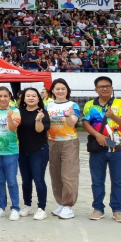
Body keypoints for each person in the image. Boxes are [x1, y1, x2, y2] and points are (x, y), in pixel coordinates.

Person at [82, 76, 121, 223]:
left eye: (108, 86)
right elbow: (85, 123)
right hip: (98, 149)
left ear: (112, 88)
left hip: (118, 148)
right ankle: (98, 208)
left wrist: (113, 116)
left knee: (118, 181)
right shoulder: (90, 105)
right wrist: (97, 135)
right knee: (97, 180)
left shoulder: (120, 103)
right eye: (101, 86)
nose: (105, 88)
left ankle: (117, 210)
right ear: (96, 89)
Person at [45, 78, 81, 220]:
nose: (60, 91)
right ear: (52, 91)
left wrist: (68, 116)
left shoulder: (73, 105)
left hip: (69, 142)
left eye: (63, 88)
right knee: (55, 174)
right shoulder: (49, 105)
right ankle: (61, 202)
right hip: (52, 142)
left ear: (67, 90)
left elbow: (73, 122)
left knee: (69, 174)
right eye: (57, 88)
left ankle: (68, 206)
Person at [0, 87, 21, 221]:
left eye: (5, 96)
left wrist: (9, 117)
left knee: (12, 181)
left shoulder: (15, 111)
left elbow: (13, 129)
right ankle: (1, 206)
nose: (2, 99)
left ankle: (15, 208)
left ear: (10, 97)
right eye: (0, 96)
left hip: (10, 151)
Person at [17, 88, 51, 221]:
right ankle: (27, 205)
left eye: (34, 96)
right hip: (22, 151)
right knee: (26, 180)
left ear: (38, 98)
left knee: (39, 179)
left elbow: (39, 130)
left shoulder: (42, 113)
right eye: (28, 96)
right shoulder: (18, 112)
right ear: (24, 98)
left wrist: (38, 120)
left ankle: (41, 208)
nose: (31, 98)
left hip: (39, 150)